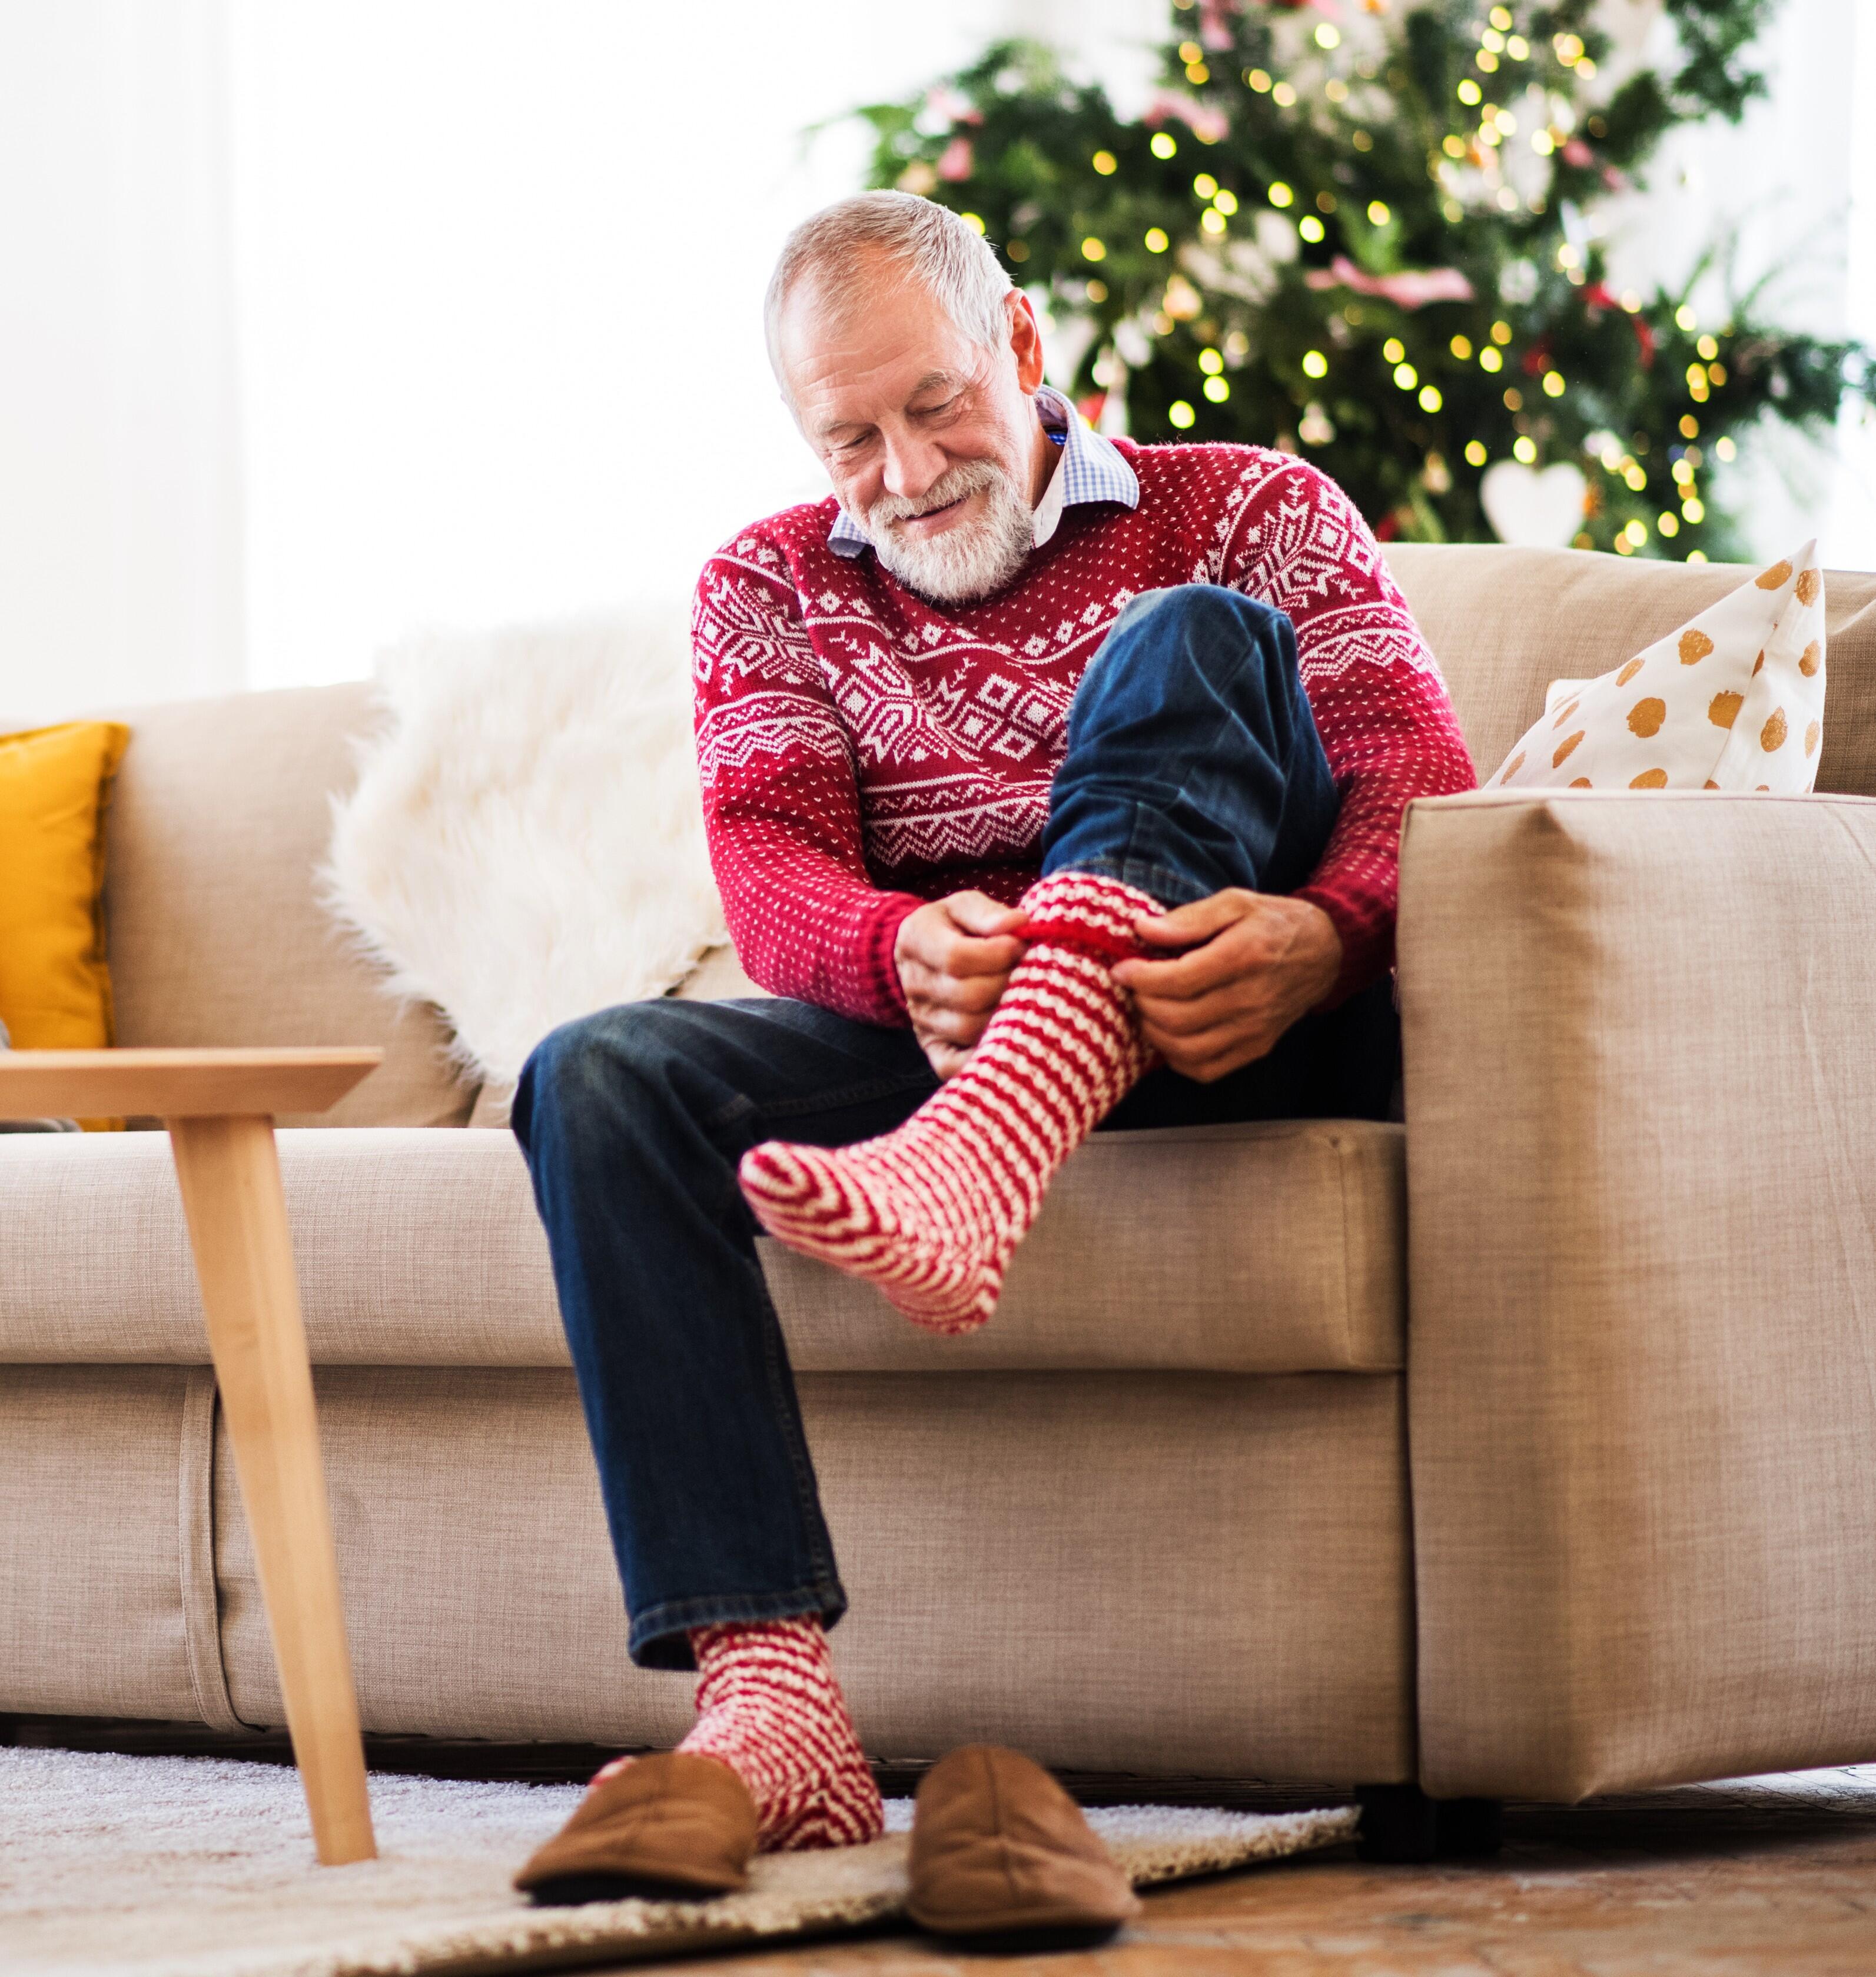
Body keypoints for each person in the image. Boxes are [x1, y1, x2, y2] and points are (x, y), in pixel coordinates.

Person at [509, 191, 1475, 1929]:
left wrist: (1324, 933)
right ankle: (772, 1706)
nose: (901, 468)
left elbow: (1417, 774)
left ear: (1022, 347)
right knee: (595, 1074)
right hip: (946, 1058)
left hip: (1234, 1021)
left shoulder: (1248, 508)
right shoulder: (766, 582)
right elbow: (770, 856)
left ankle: (983, 1146)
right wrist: (894, 950)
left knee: (1193, 636)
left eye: (935, 404)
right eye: (848, 437)